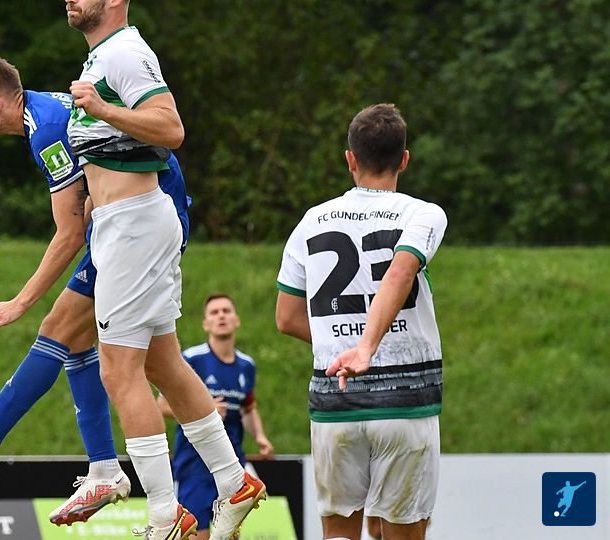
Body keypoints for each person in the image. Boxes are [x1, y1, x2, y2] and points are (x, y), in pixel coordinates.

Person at [0, 53, 191, 526]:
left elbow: (69, 233)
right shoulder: (44, 111)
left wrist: (18, 302)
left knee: (57, 329)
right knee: (98, 345)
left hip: (141, 224)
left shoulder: (47, 131)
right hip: (138, 220)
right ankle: (107, 469)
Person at [64, 1, 266, 539]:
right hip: (129, 223)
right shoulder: (104, 55)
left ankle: (163, 514)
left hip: (133, 226)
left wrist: (103, 111)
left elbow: (170, 128)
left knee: (117, 371)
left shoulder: (125, 52)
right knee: (164, 363)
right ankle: (235, 482)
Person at [275, 103, 447, 540]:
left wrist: (343, 346)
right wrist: (366, 347)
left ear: (350, 159)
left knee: (338, 533)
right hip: (404, 404)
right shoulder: (422, 213)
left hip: (335, 401)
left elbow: (286, 317)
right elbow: (400, 272)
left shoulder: (311, 221)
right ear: (404, 159)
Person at [158, 294, 274, 540]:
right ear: (206, 324)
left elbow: (248, 408)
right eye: (214, 312)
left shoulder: (246, 365)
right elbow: (162, 405)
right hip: (195, 462)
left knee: (230, 532)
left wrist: (260, 437)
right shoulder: (192, 359)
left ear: (236, 320)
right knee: (196, 533)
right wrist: (204, 412)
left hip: (233, 460)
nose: (221, 315)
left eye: (226, 311)